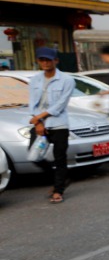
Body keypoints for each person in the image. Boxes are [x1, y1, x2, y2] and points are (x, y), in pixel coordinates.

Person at [26, 46, 73, 204]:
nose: (45, 63)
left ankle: (58, 190)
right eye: (42, 60)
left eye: (48, 59)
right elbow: (32, 103)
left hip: (59, 125)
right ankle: (61, 176)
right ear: (38, 61)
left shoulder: (67, 80)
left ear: (56, 61)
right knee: (34, 156)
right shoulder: (35, 79)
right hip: (40, 124)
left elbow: (60, 105)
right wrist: (38, 123)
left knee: (60, 158)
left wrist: (39, 117)